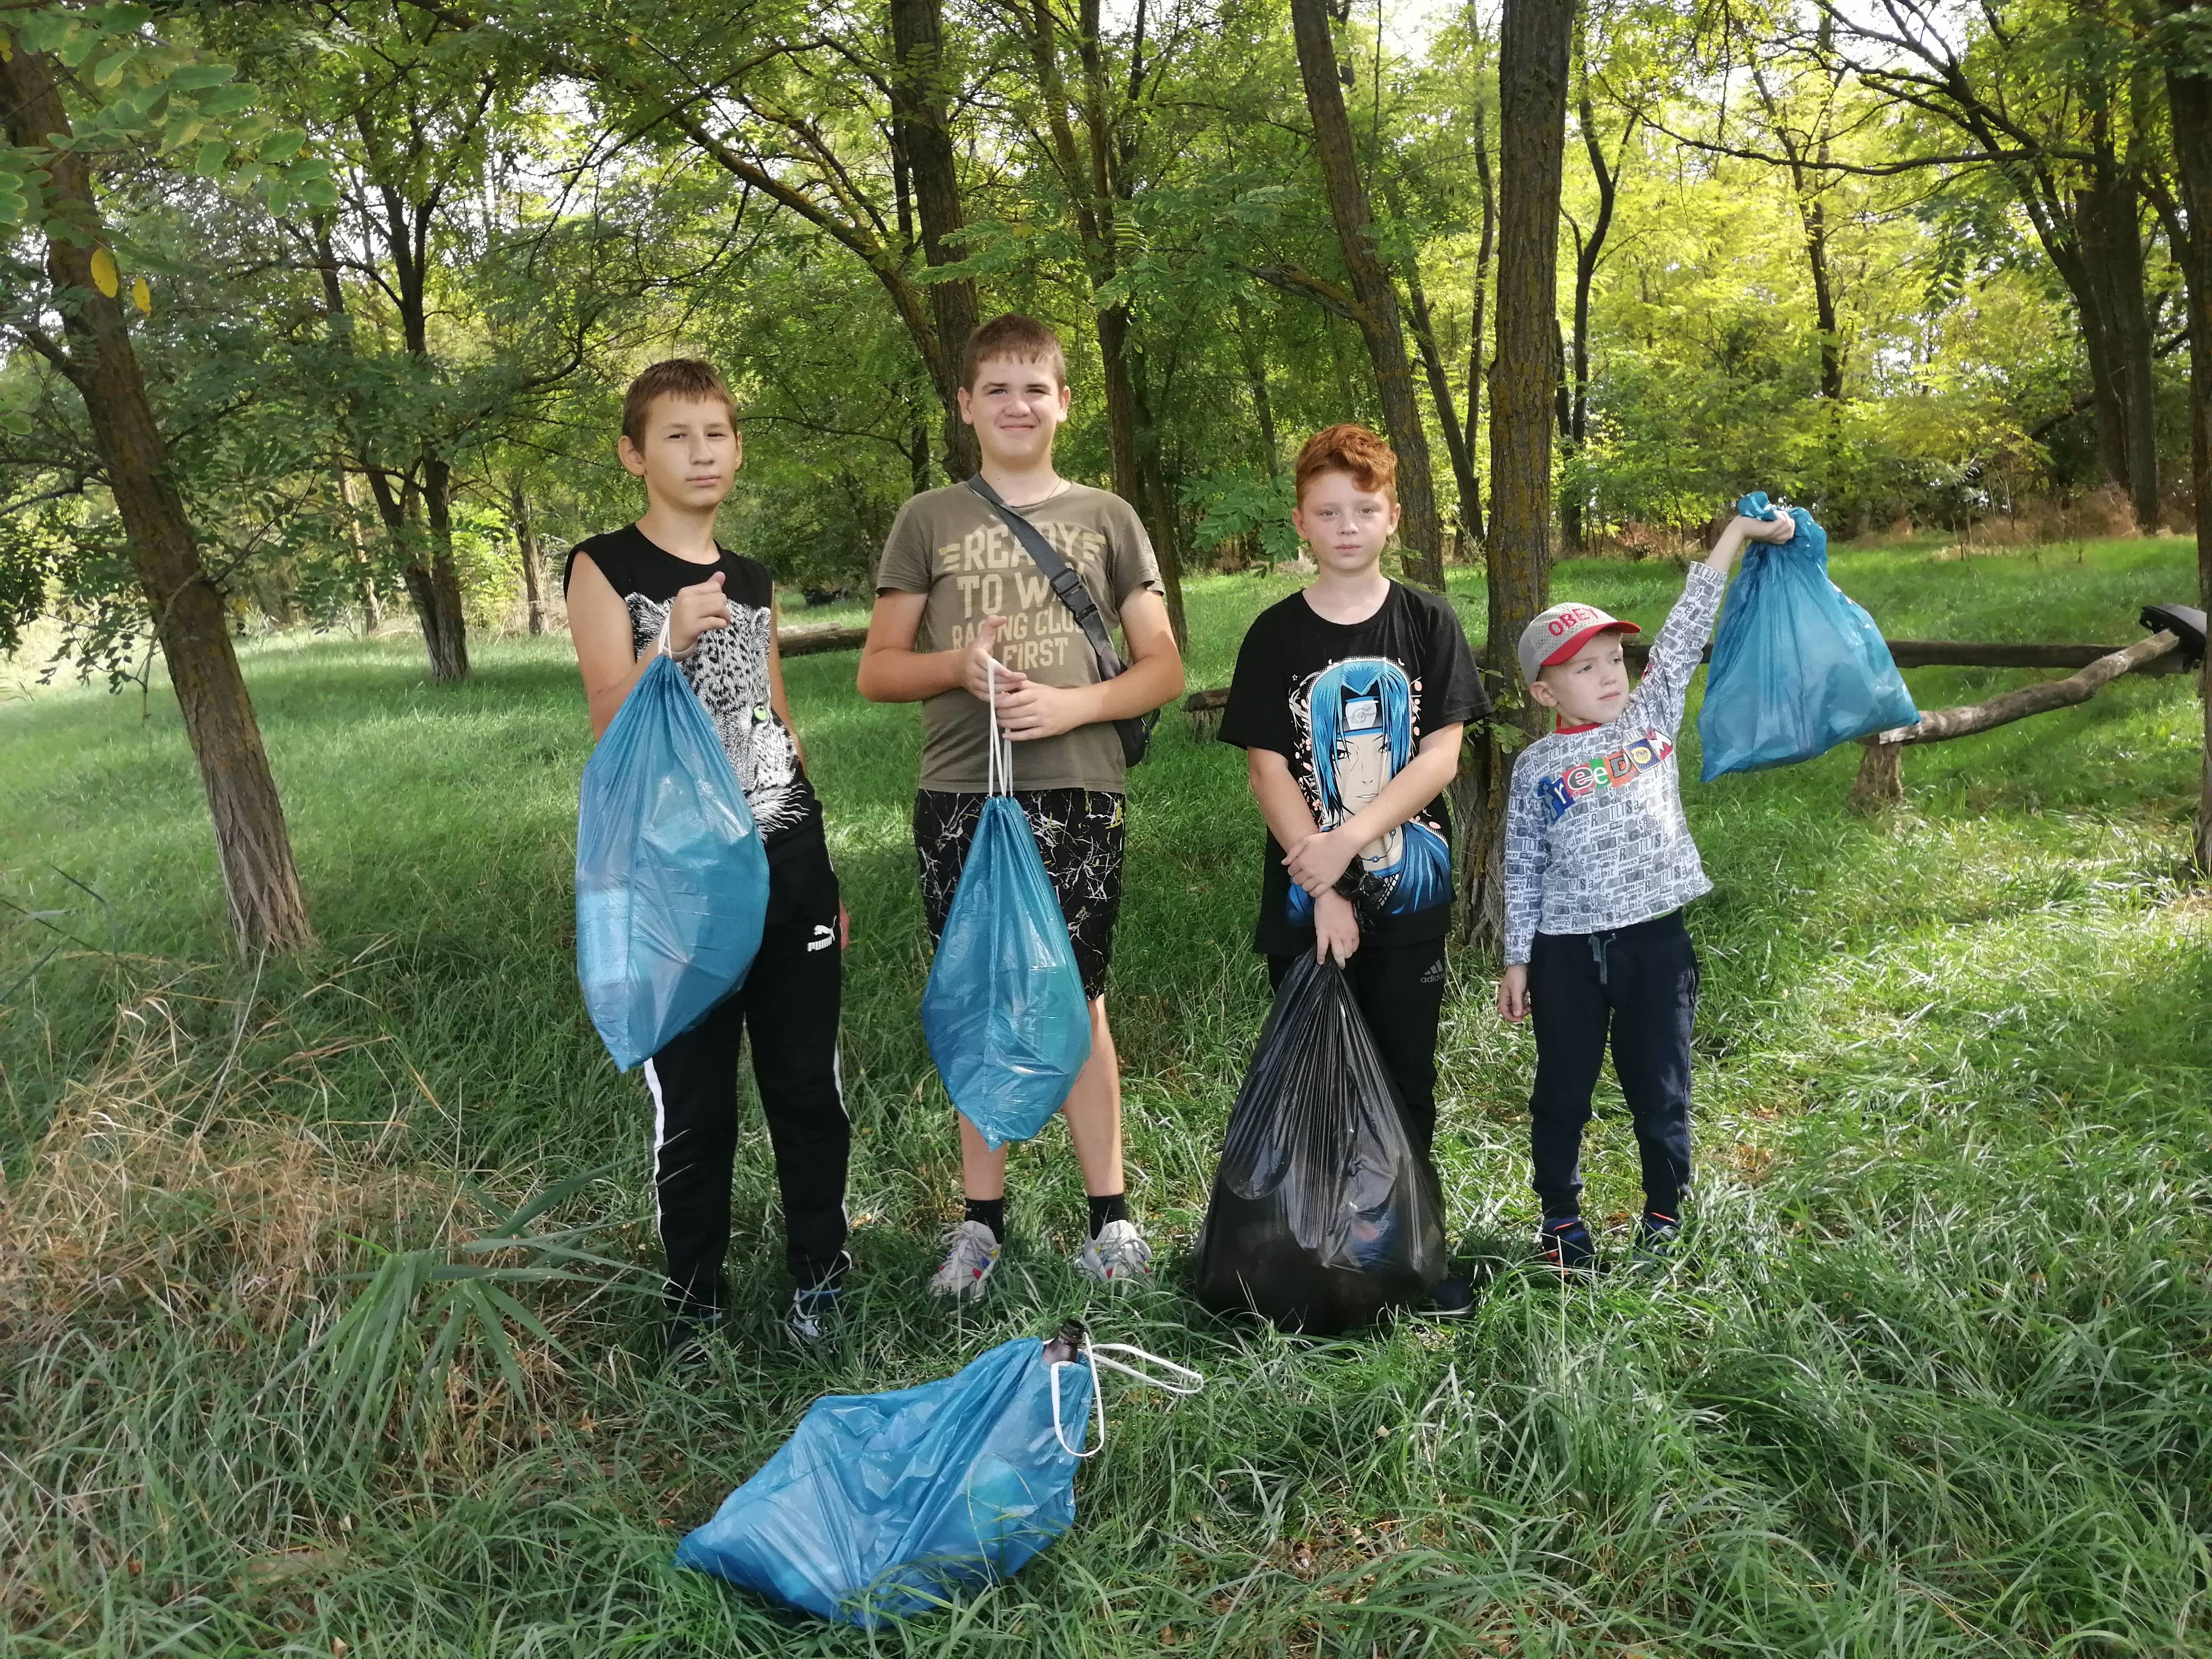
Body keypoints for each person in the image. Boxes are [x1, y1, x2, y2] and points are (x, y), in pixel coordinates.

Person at [858, 314, 1185, 1300]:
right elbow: (876, 671)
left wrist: (1073, 704)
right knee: (981, 992)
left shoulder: (1108, 518)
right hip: (961, 792)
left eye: (1035, 388)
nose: (1016, 405)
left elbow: (1164, 667)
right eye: (996, 389)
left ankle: (1111, 1222)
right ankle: (980, 1225)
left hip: (1080, 790)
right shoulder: (928, 519)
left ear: (1064, 403)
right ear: (965, 405)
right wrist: (958, 665)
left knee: (1080, 998)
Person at [564, 358, 850, 1361]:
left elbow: (776, 718)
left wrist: (825, 867)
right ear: (634, 453)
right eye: (678, 436)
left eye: (718, 434)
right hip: (677, 878)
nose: (702, 453)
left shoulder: (756, 577)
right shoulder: (602, 568)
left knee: (806, 1086)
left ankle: (823, 1277)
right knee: (696, 1101)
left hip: (786, 858)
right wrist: (669, 643)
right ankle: (695, 1307)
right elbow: (609, 721)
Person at [1217, 424, 1489, 1316]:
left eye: (1363, 510)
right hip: (1309, 905)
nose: (1346, 526)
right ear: (1301, 521)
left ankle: (1407, 1257)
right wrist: (1324, 885)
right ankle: (1318, 1258)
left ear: (1391, 517)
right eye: (1328, 512)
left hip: (1411, 891)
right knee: (1320, 1071)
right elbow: (1269, 767)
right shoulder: (1276, 635)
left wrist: (1351, 840)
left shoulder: (1426, 621)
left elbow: (1441, 757)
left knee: (1406, 1076)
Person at [1496, 505, 1799, 1273]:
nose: (1608, 676)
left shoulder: (1652, 720)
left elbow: (1691, 616)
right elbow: (1522, 865)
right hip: (1566, 955)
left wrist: (1736, 534)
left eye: (1613, 660)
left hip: (1655, 946)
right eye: (1584, 667)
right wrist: (1517, 958)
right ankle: (1562, 1223)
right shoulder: (1534, 770)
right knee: (1561, 1093)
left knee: (1660, 1093)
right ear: (1543, 693)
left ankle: (1664, 1217)